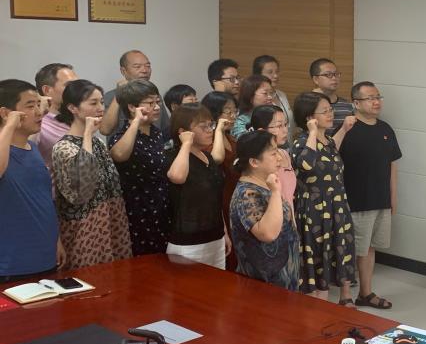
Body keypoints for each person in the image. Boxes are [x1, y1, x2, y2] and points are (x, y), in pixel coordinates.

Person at [51, 80, 132, 269]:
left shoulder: (98, 143)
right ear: (73, 108)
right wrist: (87, 133)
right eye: (93, 103)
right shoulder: (63, 147)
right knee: (90, 280)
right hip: (85, 228)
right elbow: (82, 190)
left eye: (101, 102)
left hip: (111, 220)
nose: (100, 108)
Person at [289, 92, 357, 304]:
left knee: (338, 252)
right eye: (324, 111)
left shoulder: (327, 140)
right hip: (315, 212)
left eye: (330, 109)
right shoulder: (301, 142)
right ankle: (316, 306)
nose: (330, 114)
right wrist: (311, 132)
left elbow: (330, 150)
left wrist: (343, 130)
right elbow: (306, 164)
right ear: (310, 117)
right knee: (318, 257)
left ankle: (336, 300)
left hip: (336, 207)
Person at [341, 81, 401, 310]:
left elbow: (392, 165)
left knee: (370, 248)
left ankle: (365, 293)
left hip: (380, 199)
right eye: (370, 98)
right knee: (351, 248)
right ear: (356, 103)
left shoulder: (385, 129)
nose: (376, 102)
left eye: (378, 97)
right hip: (355, 201)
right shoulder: (347, 129)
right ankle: (345, 295)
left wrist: (393, 197)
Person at [0, 79, 63, 282]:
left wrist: (56, 240)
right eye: (30, 106)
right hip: (11, 264)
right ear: (5, 113)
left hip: (45, 256)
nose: (39, 112)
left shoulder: (33, 148)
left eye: (38, 104)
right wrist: (9, 125)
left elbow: (44, 199)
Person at [229, 130, 300, 291]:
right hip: (264, 285)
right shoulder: (246, 194)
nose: (279, 157)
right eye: (273, 153)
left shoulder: (265, 184)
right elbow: (268, 234)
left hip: (284, 278)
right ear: (254, 162)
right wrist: (275, 192)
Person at [108, 80, 170, 256]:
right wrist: (136, 121)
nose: (156, 107)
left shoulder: (156, 132)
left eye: (157, 101)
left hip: (162, 205)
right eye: (150, 103)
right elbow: (119, 155)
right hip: (138, 209)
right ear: (131, 107)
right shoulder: (121, 136)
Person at [165, 105, 231, 269]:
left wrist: (224, 232)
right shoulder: (173, 157)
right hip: (188, 243)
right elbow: (177, 177)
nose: (209, 130)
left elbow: (215, 199)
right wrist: (186, 144)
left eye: (211, 125)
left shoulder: (208, 157)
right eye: (203, 127)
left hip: (215, 237)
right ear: (183, 132)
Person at [100, 50, 169, 136]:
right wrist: (119, 94)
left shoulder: (154, 95)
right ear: (123, 71)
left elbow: (166, 128)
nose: (144, 70)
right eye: (137, 67)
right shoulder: (110, 96)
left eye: (148, 66)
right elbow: (105, 130)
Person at [249, 105, 296, 214]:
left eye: (285, 124)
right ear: (262, 131)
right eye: (279, 126)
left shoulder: (284, 154)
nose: (285, 130)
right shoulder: (260, 162)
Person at [34, 62, 78, 169]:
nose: (77, 89)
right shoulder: (38, 122)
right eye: (69, 85)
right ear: (47, 90)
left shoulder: (77, 116)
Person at [253, 55, 294, 141]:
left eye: (277, 71)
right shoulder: (256, 99)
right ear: (258, 75)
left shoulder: (282, 95)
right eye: (270, 72)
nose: (275, 76)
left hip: (287, 144)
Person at [309, 58, 354, 132]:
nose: (334, 78)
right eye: (328, 74)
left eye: (336, 74)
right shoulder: (306, 103)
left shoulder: (346, 105)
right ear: (316, 79)